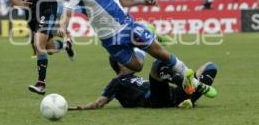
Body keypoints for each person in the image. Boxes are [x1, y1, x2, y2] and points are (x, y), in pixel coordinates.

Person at [58, 0, 213, 95]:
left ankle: (193, 82)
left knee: (160, 53)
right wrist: (62, 28)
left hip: (127, 26)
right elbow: (67, 13)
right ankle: (148, 31)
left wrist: (143, 1)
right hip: (109, 39)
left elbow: (123, 0)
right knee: (137, 67)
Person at [69, 48, 217, 110]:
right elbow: (99, 102)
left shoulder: (133, 76)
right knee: (158, 64)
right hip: (154, 100)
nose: (132, 60)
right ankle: (189, 84)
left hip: (173, 95)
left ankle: (187, 100)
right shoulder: (117, 82)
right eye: (128, 59)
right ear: (121, 64)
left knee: (210, 67)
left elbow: (142, 53)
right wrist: (81, 107)